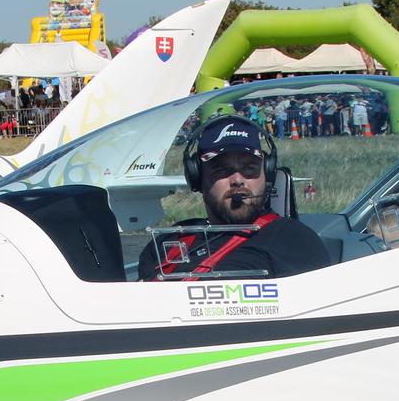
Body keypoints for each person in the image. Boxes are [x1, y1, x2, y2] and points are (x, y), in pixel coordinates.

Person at [137, 117, 330, 281]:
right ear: (196, 177)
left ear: (267, 174)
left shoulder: (293, 240)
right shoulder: (169, 241)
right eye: (222, 170)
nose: (238, 180)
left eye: (249, 169)